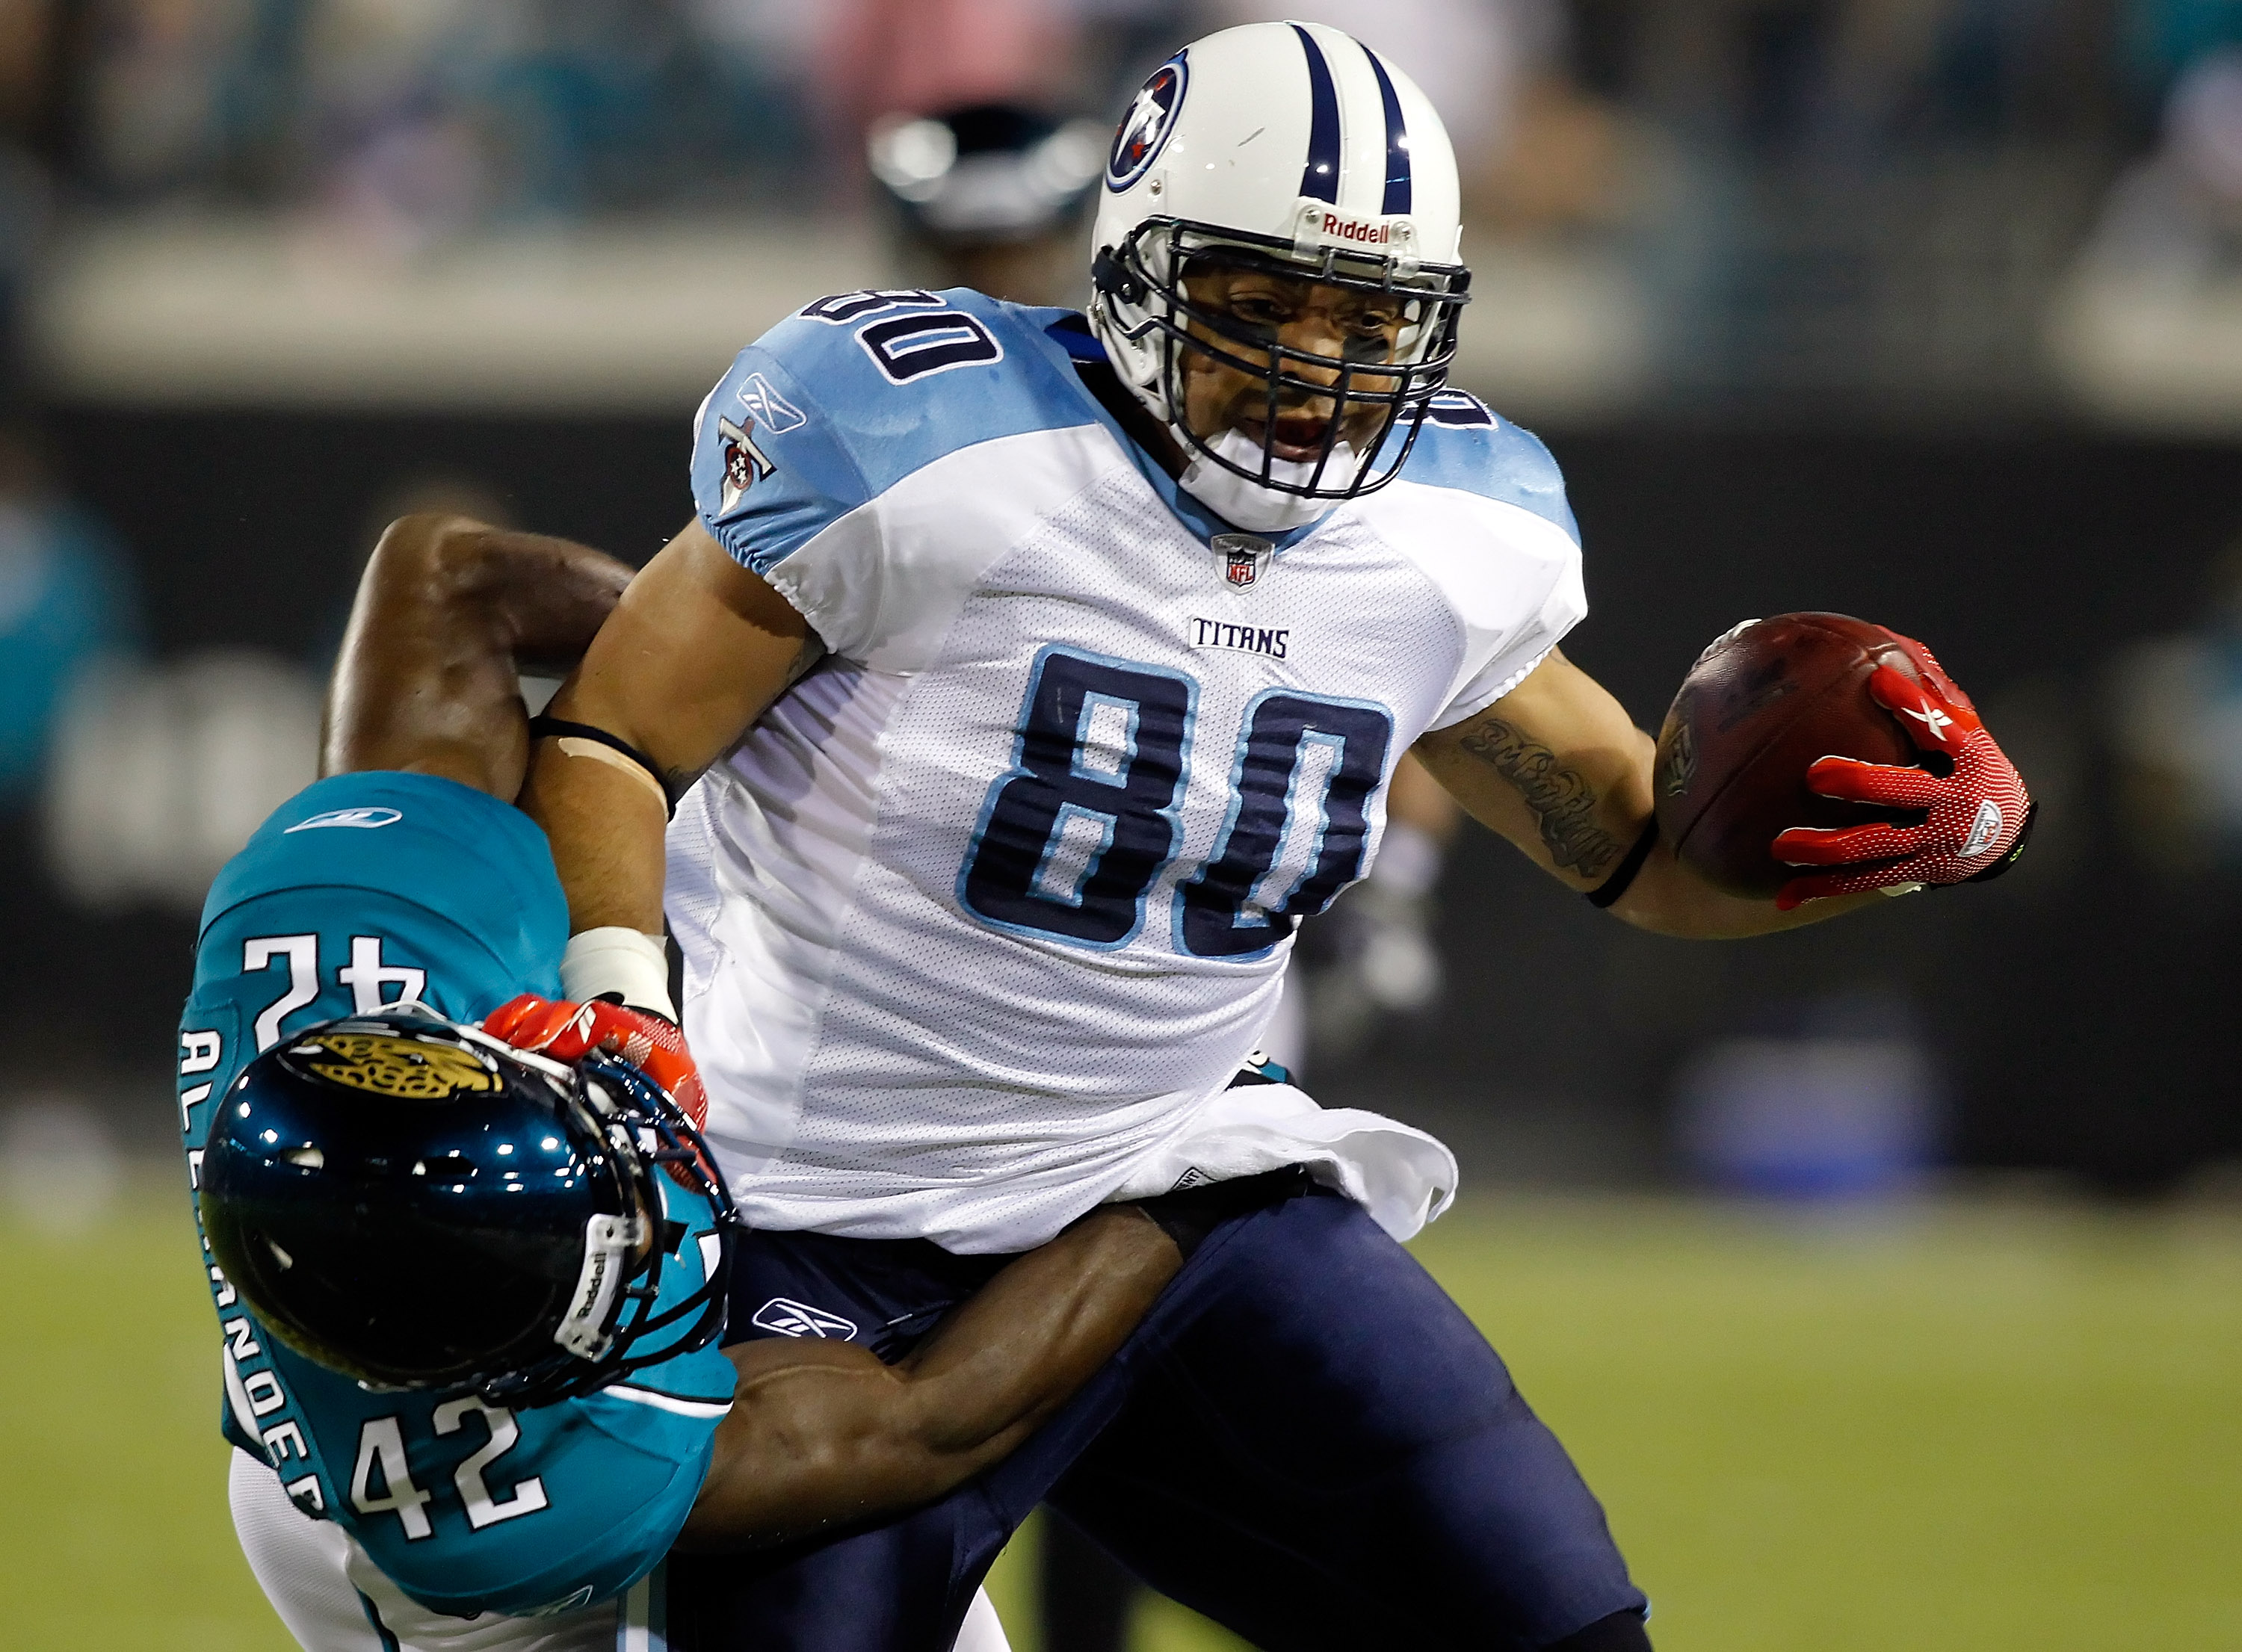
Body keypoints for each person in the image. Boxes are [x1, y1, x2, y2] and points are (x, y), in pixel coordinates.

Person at [522, 22, 2033, 1650]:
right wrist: (620, 1011)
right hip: (817, 1210)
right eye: (1263, 300)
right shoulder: (927, 447)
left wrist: (1915, 837)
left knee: (1556, 1622)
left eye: (1369, 315)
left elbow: (1645, 857)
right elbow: (609, 738)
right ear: (1134, 270)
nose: (1320, 361)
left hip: (1177, 1191)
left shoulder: (1450, 536)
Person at [179, 513, 1223, 1651]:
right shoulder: (514, 1501)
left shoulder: (359, 922)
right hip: (441, 1586)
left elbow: (446, 579)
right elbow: (927, 1421)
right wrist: (1195, 1175)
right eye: (600, 1266)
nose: (642, 1216)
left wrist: (767, 662)